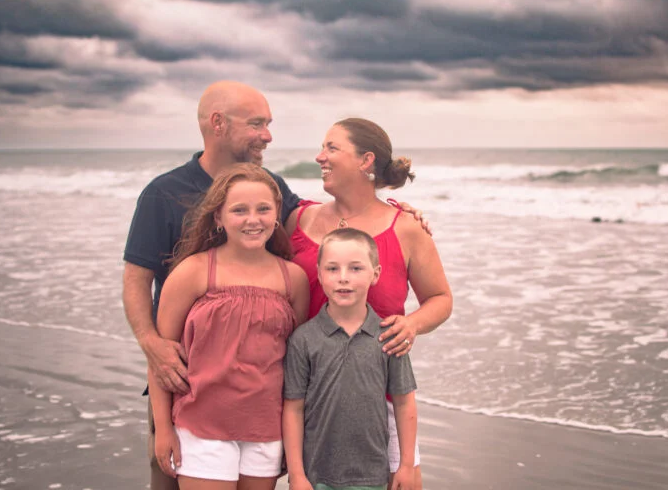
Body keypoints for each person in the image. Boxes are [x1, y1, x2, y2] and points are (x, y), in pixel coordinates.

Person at [123, 81, 301, 490]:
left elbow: (312, 225)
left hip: (256, 403)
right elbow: (136, 279)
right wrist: (150, 341)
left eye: (268, 124)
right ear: (218, 124)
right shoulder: (163, 193)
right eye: (257, 123)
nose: (268, 135)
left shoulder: (269, 184)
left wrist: (390, 210)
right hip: (184, 379)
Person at [286, 118, 453, 489]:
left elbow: (440, 300)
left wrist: (411, 325)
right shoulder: (297, 218)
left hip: (382, 404)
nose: (319, 156)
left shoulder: (405, 226)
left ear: (366, 161)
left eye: (331, 148)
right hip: (311, 396)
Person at [149, 163, 309, 489]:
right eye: (239, 210)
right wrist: (164, 429)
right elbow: (160, 357)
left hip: (266, 428)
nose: (253, 219)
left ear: (277, 213)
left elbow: (297, 364)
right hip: (201, 425)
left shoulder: (293, 278)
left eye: (263, 209)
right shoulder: (193, 271)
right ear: (218, 217)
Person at [283, 228, 417, 490]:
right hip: (316, 475)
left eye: (355, 268)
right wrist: (297, 475)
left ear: (375, 274)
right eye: (332, 269)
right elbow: (293, 409)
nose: (343, 278)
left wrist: (406, 465)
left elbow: (404, 404)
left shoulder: (389, 337)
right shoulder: (303, 339)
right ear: (320, 274)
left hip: (372, 476)